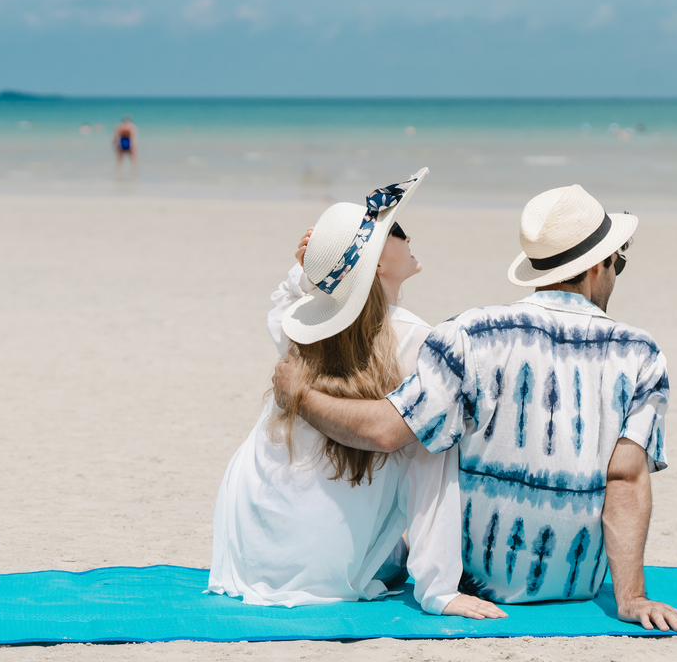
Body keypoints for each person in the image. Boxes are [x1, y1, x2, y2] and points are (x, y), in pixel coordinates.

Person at [273, 184, 677, 632]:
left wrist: (300, 396)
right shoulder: (642, 353)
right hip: (575, 583)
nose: (616, 273)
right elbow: (625, 479)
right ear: (596, 267)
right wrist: (631, 597)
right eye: (618, 261)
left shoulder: (471, 333)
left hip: (473, 579)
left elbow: (386, 432)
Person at [208, 168, 505, 620]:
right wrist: (438, 587)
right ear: (379, 265)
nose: (410, 237)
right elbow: (432, 468)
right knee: (437, 435)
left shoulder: (302, 328)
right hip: (324, 558)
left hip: (246, 541)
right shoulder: (418, 341)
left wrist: (313, 271)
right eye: (398, 232)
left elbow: (286, 302)